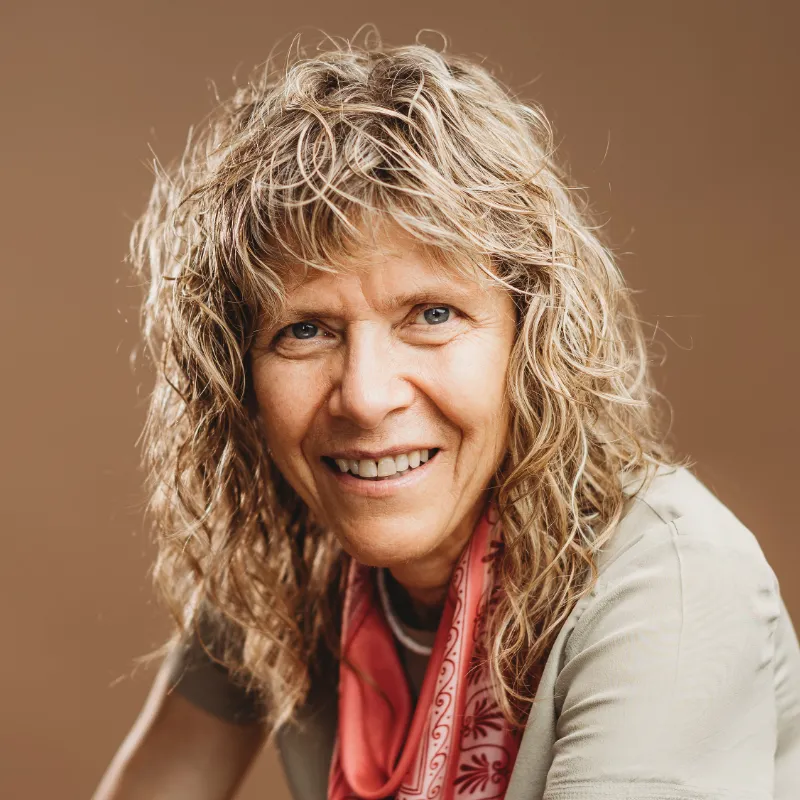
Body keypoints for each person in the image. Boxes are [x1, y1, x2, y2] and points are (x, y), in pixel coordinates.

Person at [93, 30, 800, 800]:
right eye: (304, 330)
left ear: (529, 340)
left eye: (432, 314)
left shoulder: (671, 585)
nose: (365, 396)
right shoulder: (287, 558)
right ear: (238, 376)